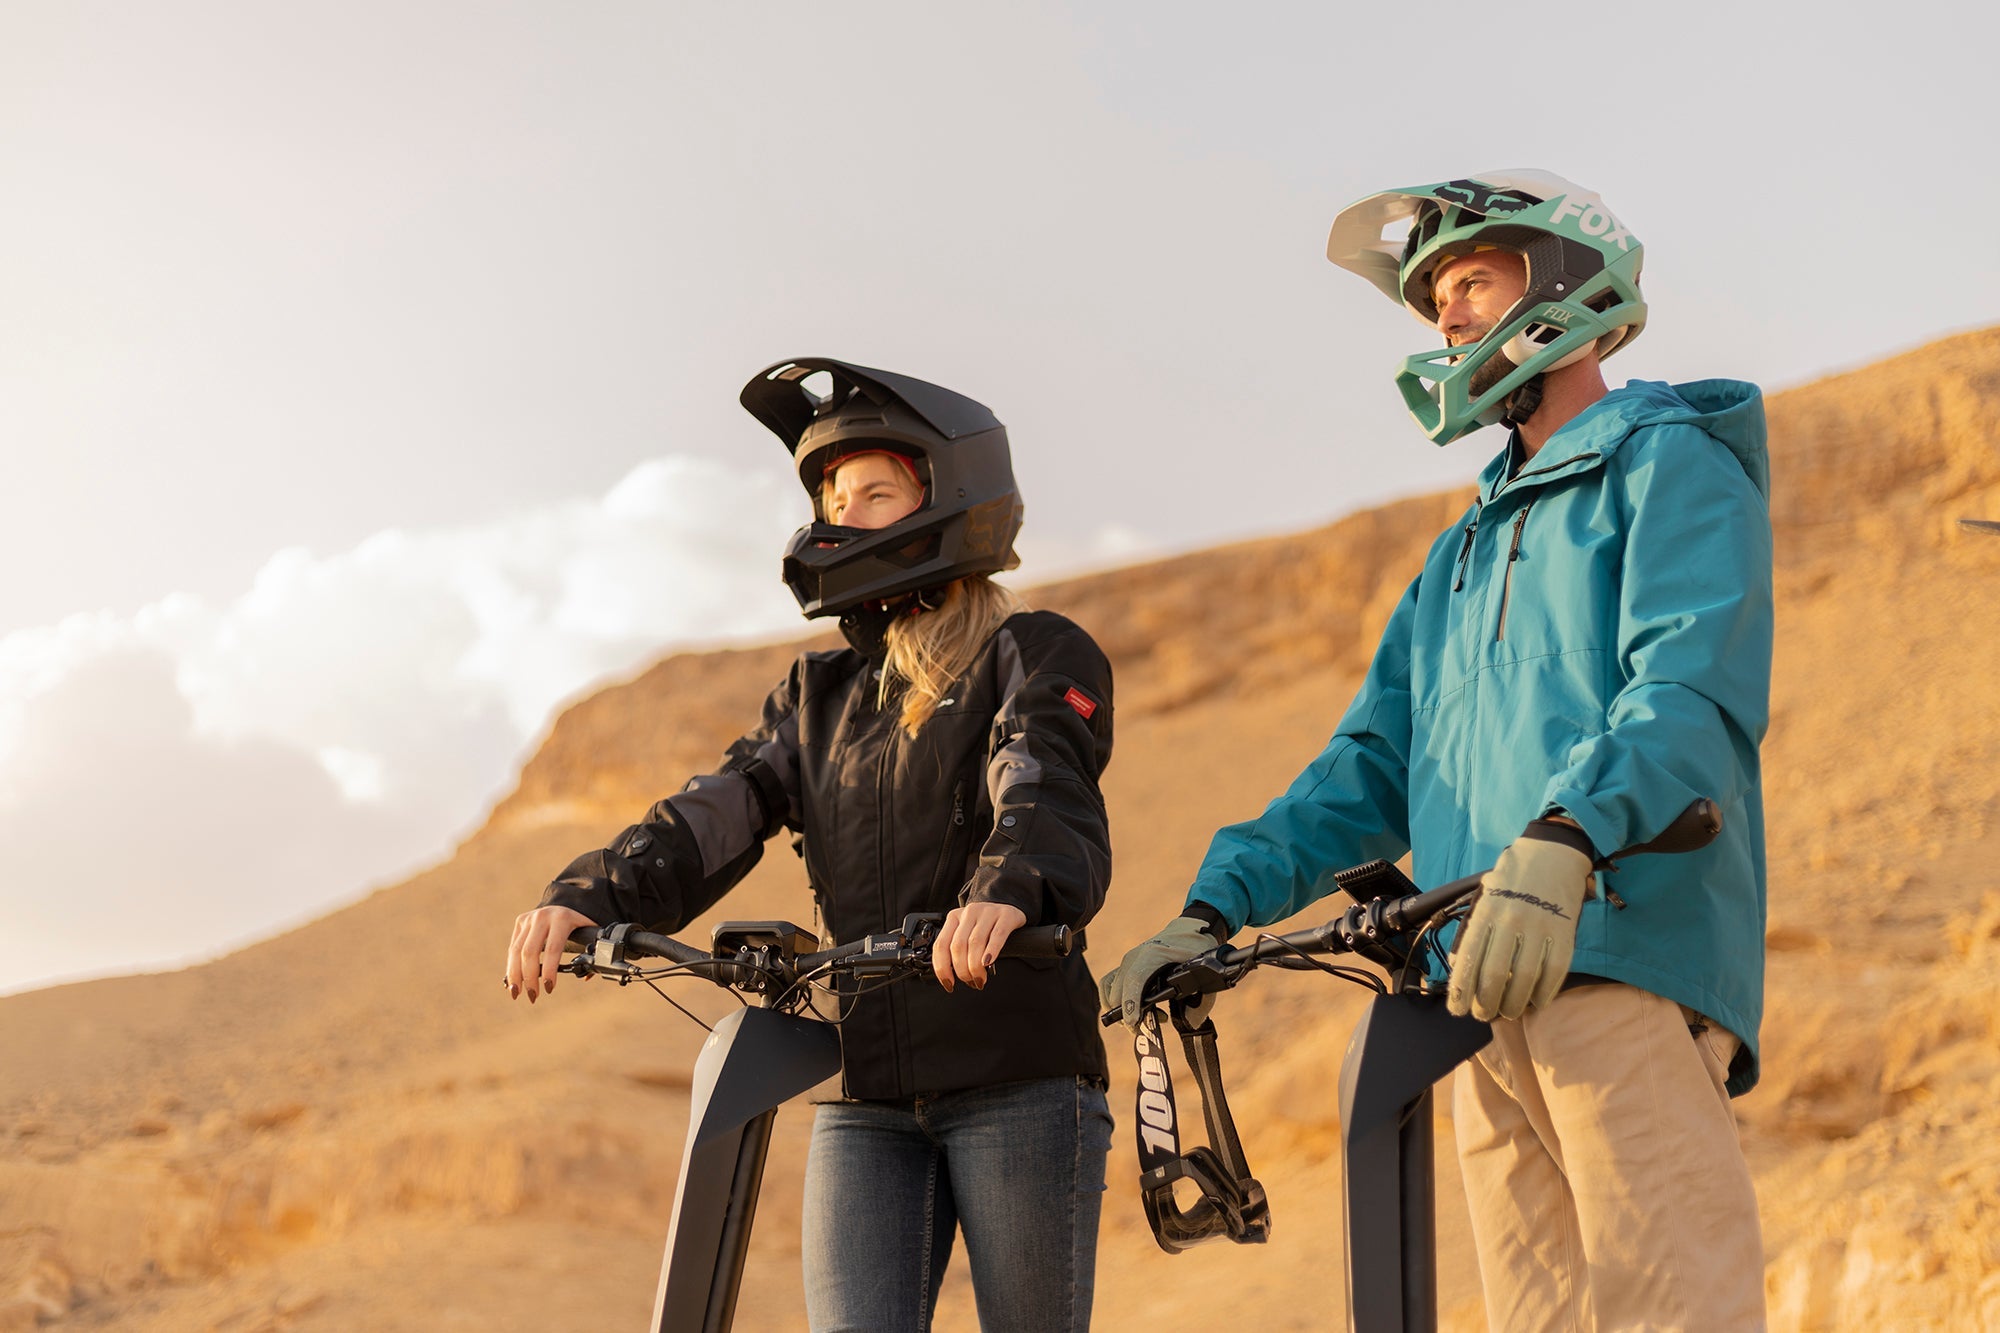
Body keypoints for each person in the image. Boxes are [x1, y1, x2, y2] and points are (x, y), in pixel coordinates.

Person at [1101, 171, 1772, 1330]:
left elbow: (1686, 693)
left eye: (1469, 281)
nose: (1449, 318)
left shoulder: (1664, 463)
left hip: (1614, 951)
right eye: (1432, 303)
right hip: (1475, 979)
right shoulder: (1458, 555)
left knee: (1672, 1310)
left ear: (1558, 283)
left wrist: (1565, 835)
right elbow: (1367, 766)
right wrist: (1216, 904)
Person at [505, 358, 1116, 1332]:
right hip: (870, 1095)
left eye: (873, 491)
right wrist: (591, 895)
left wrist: (1007, 890)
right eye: (832, 494)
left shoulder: (1030, 653)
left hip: (1018, 1083)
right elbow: (717, 812)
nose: (842, 513)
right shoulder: (815, 699)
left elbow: (1039, 781)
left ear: (950, 496)